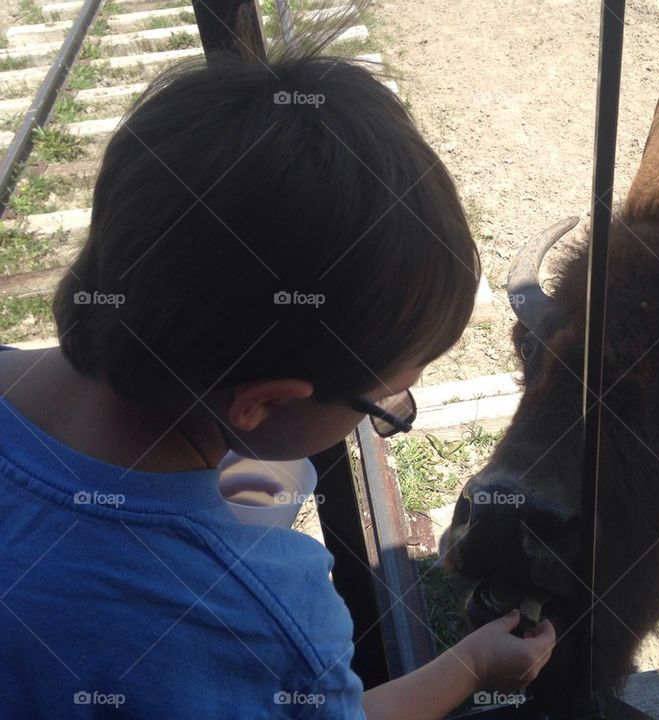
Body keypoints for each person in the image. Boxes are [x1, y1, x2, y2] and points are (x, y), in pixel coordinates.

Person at [0, 23, 555, 720]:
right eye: (382, 403)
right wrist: (471, 663)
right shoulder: (262, 612)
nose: (388, 409)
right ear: (258, 405)